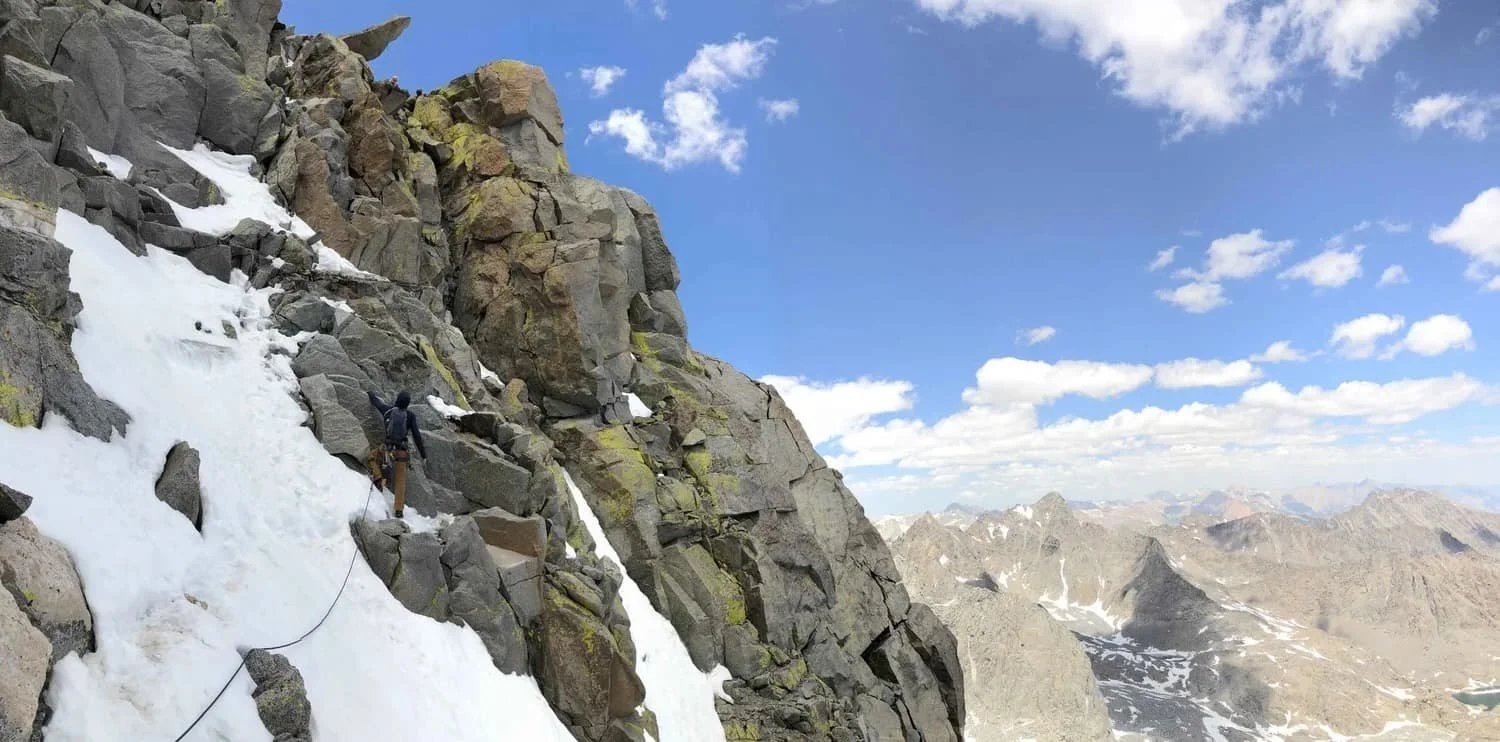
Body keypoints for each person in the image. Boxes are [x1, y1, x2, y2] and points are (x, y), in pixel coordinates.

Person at [365, 390, 428, 519]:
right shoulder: (410, 416)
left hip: (387, 450)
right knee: (401, 481)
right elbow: (416, 436)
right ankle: (398, 510)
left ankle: (378, 478)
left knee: (372, 457)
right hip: (401, 452)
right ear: (407, 404)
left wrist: (370, 393)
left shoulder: (387, 410)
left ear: (397, 399)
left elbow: (376, 402)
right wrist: (424, 455)